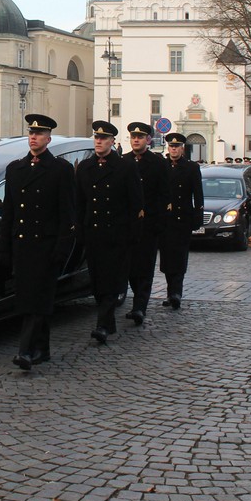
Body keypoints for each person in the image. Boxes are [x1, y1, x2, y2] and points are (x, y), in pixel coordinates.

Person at [0, 114, 75, 369]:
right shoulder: (15, 168)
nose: (34, 137)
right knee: (29, 299)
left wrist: (61, 250)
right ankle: (43, 349)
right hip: (22, 246)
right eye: (31, 133)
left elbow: (67, 214)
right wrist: (4, 249)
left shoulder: (60, 170)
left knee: (36, 301)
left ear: (48, 139)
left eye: (39, 134)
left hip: (46, 246)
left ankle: (26, 351)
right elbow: (8, 212)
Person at [73, 120, 142, 344]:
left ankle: (102, 325)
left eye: (103, 138)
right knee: (97, 280)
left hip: (116, 234)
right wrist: (80, 231)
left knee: (111, 281)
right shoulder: (85, 167)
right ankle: (108, 321)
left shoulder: (125, 167)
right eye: (96, 138)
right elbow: (79, 202)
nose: (99, 142)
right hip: (93, 234)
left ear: (112, 141)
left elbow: (135, 203)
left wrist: (131, 235)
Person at [120, 121, 171, 326]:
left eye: (140, 137)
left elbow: (164, 194)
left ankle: (140, 306)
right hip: (128, 224)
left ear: (148, 140)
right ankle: (136, 299)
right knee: (130, 267)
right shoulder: (123, 161)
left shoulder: (158, 163)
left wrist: (158, 223)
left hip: (149, 225)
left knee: (145, 267)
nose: (136, 140)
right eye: (133, 137)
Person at [160, 133, 203, 310]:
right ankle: (170, 292)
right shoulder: (162, 166)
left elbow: (198, 194)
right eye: (171, 146)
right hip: (165, 220)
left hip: (182, 218)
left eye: (177, 146)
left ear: (182, 148)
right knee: (167, 258)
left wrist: (197, 217)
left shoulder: (191, 168)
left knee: (179, 256)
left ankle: (176, 292)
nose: (174, 149)